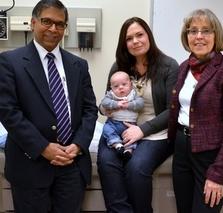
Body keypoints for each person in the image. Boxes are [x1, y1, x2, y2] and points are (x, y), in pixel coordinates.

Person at [0, 0, 98, 212]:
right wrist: (43, 148)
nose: (53, 29)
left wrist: (79, 144)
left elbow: (90, 110)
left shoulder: (78, 65)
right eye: (47, 21)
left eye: (60, 24)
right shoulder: (9, 62)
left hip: (71, 165)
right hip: (30, 165)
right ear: (33, 23)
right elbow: (8, 112)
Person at [168, 8, 223, 213]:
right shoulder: (184, 67)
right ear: (187, 36)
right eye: (193, 31)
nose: (199, 36)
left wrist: (218, 173)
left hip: (211, 156)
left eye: (206, 31)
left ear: (216, 35)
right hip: (182, 150)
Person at [97, 17, 179, 213]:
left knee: (136, 168)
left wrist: (142, 130)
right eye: (129, 38)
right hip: (120, 128)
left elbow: (172, 110)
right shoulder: (119, 67)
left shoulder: (169, 66)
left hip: (156, 132)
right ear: (124, 44)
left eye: (140, 35)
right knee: (107, 162)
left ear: (148, 36)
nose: (135, 41)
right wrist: (105, 108)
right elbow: (107, 99)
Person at [101, 71, 144, 160]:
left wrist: (128, 105)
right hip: (113, 122)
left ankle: (128, 151)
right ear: (111, 88)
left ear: (131, 84)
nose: (120, 87)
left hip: (130, 125)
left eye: (124, 84)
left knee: (132, 139)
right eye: (116, 86)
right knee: (106, 129)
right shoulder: (111, 95)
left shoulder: (133, 94)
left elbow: (140, 104)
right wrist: (116, 104)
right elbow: (104, 102)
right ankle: (117, 145)